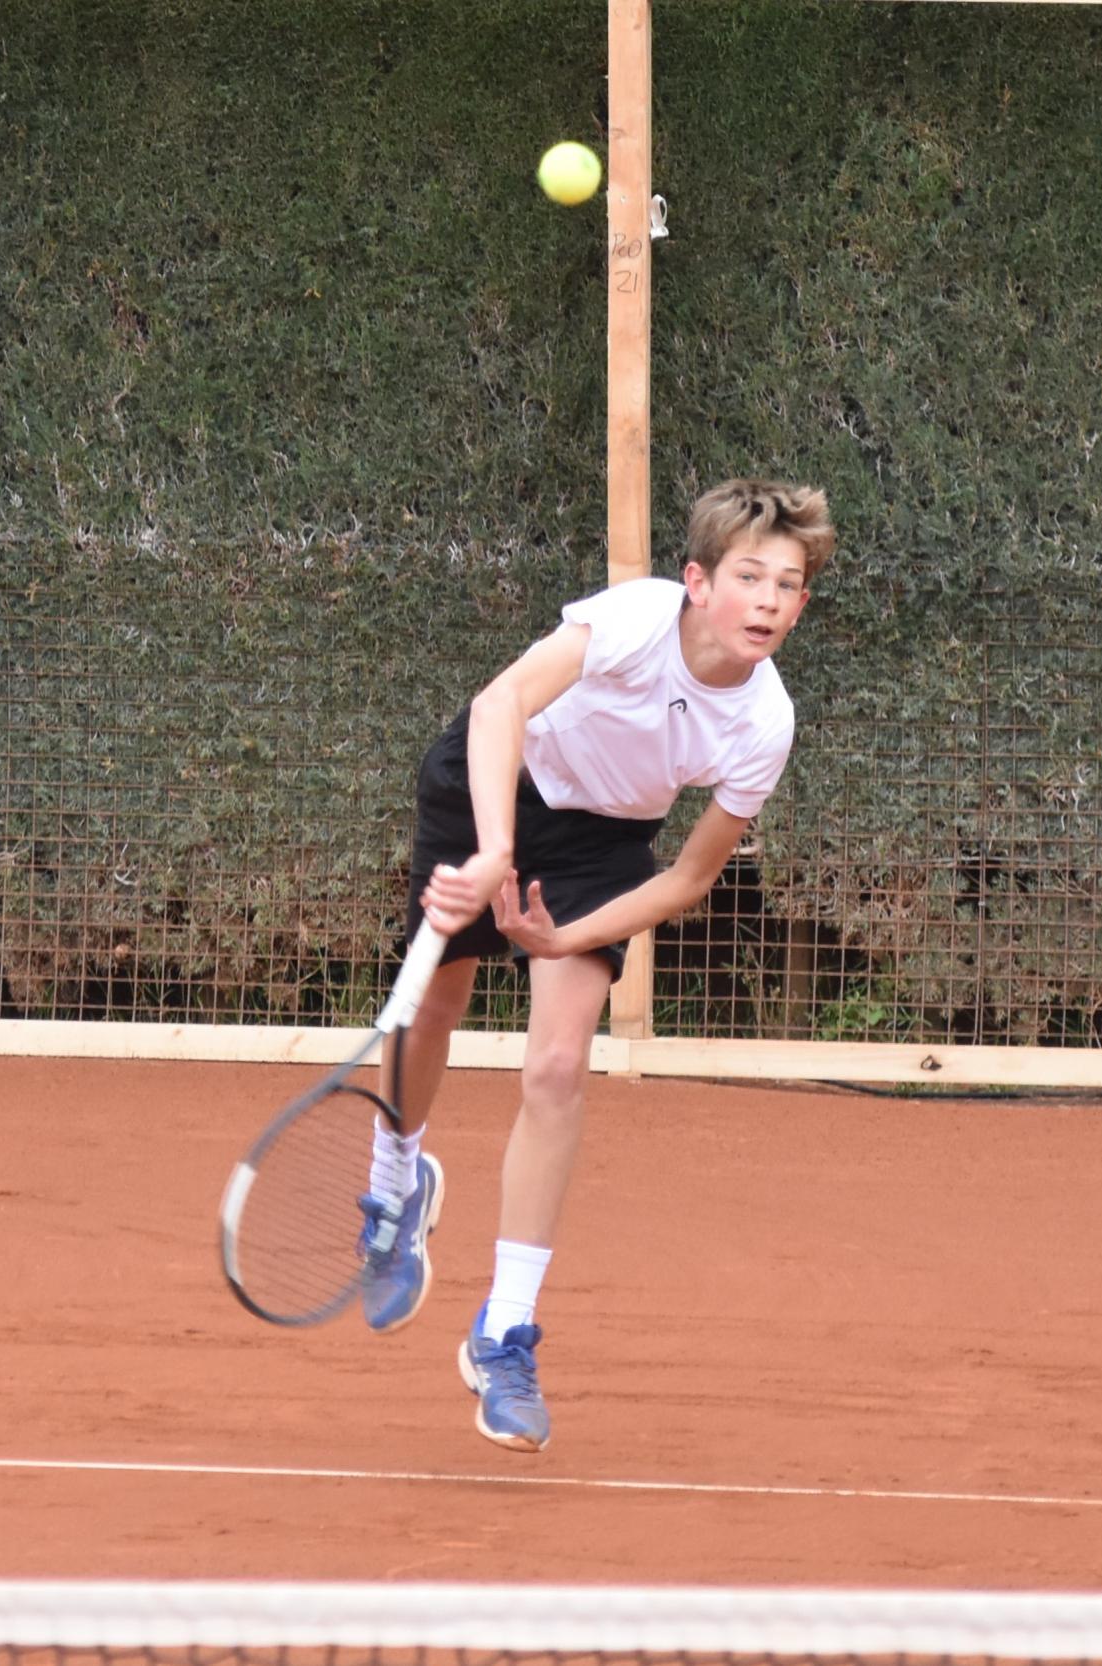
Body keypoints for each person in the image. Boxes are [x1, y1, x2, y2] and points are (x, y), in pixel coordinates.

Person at [351, 478, 835, 1453]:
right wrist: (493, 849)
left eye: (787, 585)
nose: (768, 602)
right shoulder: (634, 619)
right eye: (750, 577)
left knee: (560, 1066)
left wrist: (565, 940)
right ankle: (395, 1181)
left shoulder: (763, 723)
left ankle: (504, 1333)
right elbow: (500, 703)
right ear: (698, 582)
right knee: (436, 1004)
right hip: (493, 781)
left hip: (600, 844)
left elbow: (689, 876)